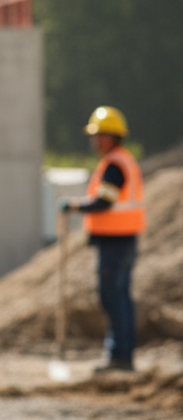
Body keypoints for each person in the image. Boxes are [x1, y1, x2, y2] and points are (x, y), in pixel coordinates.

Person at [59, 106, 145, 372]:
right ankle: (122, 356)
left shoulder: (114, 166)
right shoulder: (122, 161)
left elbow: (103, 202)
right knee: (120, 297)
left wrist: (74, 205)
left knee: (113, 298)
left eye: (97, 135)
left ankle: (119, 357)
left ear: (110, 136)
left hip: (115, 242)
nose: (94, 140)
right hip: (123, 239)